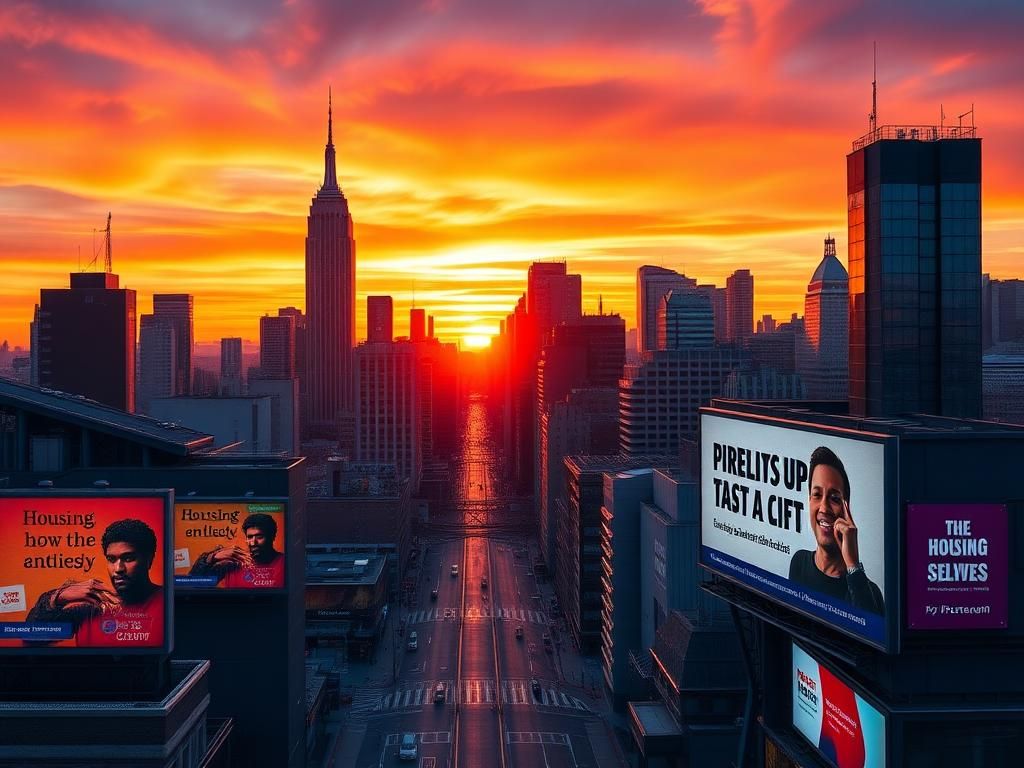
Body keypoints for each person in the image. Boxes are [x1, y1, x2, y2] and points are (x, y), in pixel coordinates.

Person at [26, 518, 164, 647]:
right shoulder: (91, 609)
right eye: (111, 559)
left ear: (149, 559)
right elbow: (30, 636)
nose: (118, 569)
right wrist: (59, 596)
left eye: (128, 558)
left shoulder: (168, 603)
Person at [788, 446, 884, 615]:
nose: (824, 508)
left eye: (834, 498)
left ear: (847, 509)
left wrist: (853, 565)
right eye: (817, 495)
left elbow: (867, 635)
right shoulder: (799, 562)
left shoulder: (869, 592)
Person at [189, 512, 284, 588]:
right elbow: (194, 583)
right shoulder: (234, 563)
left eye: (259, 537)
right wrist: (213, 557)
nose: (253, 542)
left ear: (272, 537)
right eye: (250, 537)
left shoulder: (285, 562)